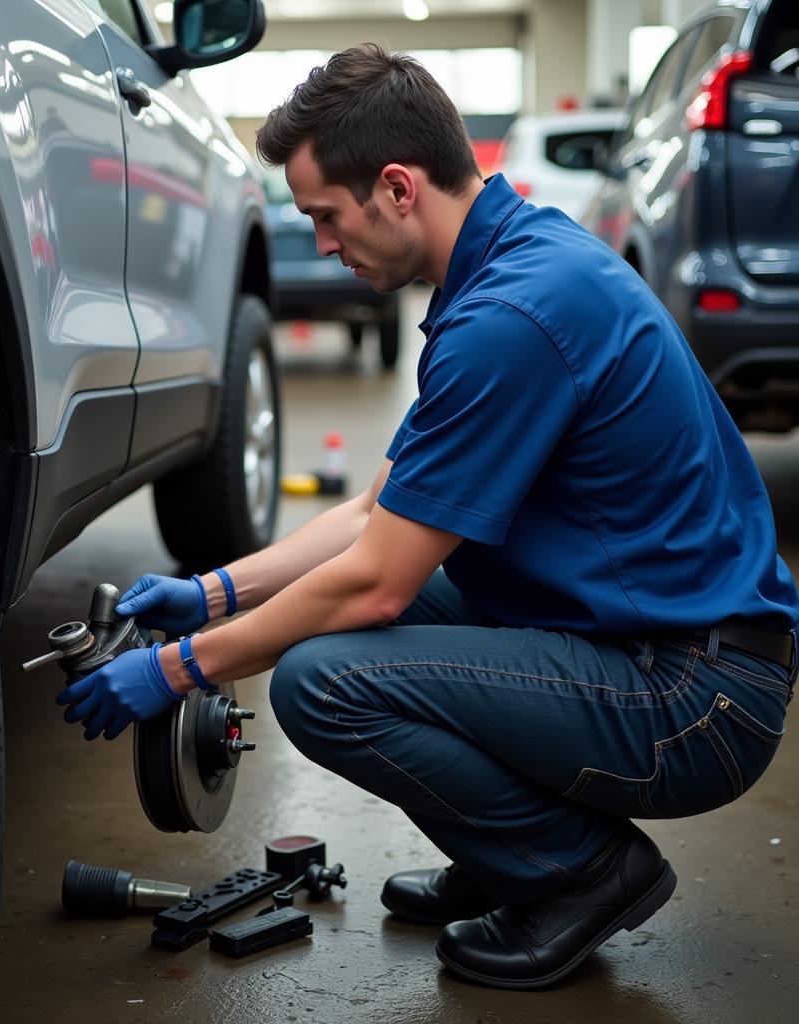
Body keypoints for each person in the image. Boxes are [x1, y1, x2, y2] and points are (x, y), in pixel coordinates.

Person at [55, 45, 799, 989]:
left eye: (327, 215)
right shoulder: (509, 265)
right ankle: (507, 854)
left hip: (695, 698)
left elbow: (373, 583)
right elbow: (378, 509)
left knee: (323, 681)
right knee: (408, 602)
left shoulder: (512, 316)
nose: (324, 243)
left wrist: (178, 668)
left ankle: (577, 874)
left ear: (397, 187)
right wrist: (211, 593)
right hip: (659, 647)